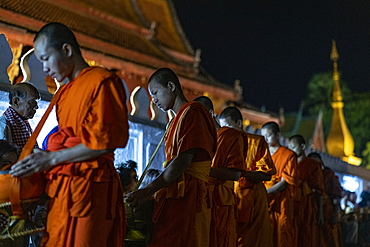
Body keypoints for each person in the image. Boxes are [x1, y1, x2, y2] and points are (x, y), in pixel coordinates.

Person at [10, 22, 129, 247]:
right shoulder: (64, 91)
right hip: (62, 191)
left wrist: (51, 158)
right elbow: (67, 140)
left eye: (45, 58)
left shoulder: (102, 82)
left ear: (66, 50)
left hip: (91, 190)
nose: (44, 68)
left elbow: (105, 142)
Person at [126, 68, 217, 247]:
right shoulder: (176, 120)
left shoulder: (194, 113)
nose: (154, 101)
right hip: (175, 192)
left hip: (191, 195)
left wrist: (148, 189)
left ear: (171, 86)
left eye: (156, 93)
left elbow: (182, 160)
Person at [220, 107, 275, 247]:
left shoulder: (255, 142)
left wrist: (240, 174)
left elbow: (266, 175)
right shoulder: (221, 143)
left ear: (239, 123)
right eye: (222, 128)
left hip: (252, 198)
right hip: (229, 197)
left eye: (227, 127)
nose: (224, 132)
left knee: (252, 240)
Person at [194, 98, 245, 247]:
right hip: (202, 199)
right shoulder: (200, 138)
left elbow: (235, 173)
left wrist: (202, 170)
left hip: (222, 200)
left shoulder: (231, 136)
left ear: (210, 113)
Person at [261, 121, 300, 247]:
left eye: (269, 135)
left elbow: (285, 182)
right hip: (263, 201)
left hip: (281, 201)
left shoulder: (289, 155)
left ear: (277, 135)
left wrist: (265, 193)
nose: (265, 139)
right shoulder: (261, 154)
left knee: (281, 233)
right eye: (263, 136)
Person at [288, 135, 325, 247]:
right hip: (290, 203)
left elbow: (319, 191)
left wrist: (320, 213)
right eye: (289, 148)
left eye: (293, 147)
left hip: (306, 205)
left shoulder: (312, 165)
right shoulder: (289, 164)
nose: (291, 151)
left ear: (302, 146)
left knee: (306, 234)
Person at [308, 152, 343, 247]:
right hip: (311, 210)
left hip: (328, 212)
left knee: (329, 240)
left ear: (321, 162)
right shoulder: (308, 174)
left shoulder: (328, 174)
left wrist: (335, 214)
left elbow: (335, 196)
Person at [0, 82, 40, 150]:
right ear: (16, 102)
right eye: (32, 101)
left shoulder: (24, 124)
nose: (37, 107)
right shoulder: (2, 125)